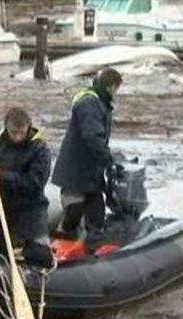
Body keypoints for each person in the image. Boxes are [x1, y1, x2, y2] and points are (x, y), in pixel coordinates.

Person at [0, 107, 54, 269]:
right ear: (6, 127)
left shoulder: (39, 149)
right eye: (13, 132)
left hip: (30, 212)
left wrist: (1, 175)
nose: (17, 137)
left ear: (28, 128)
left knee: (40, 257)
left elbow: (34, 183)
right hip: (0, 211)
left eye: (21, 133)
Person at [51, 67, 123, 245]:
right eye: (116, 89)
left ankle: (92, 246)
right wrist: (109, 161)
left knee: (97, 213)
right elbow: (93, 136)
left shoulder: (99, 102)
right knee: (73, 212)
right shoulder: (89, 103)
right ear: (112, 86)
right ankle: (62, 245)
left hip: (90, 172)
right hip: (76, 171)